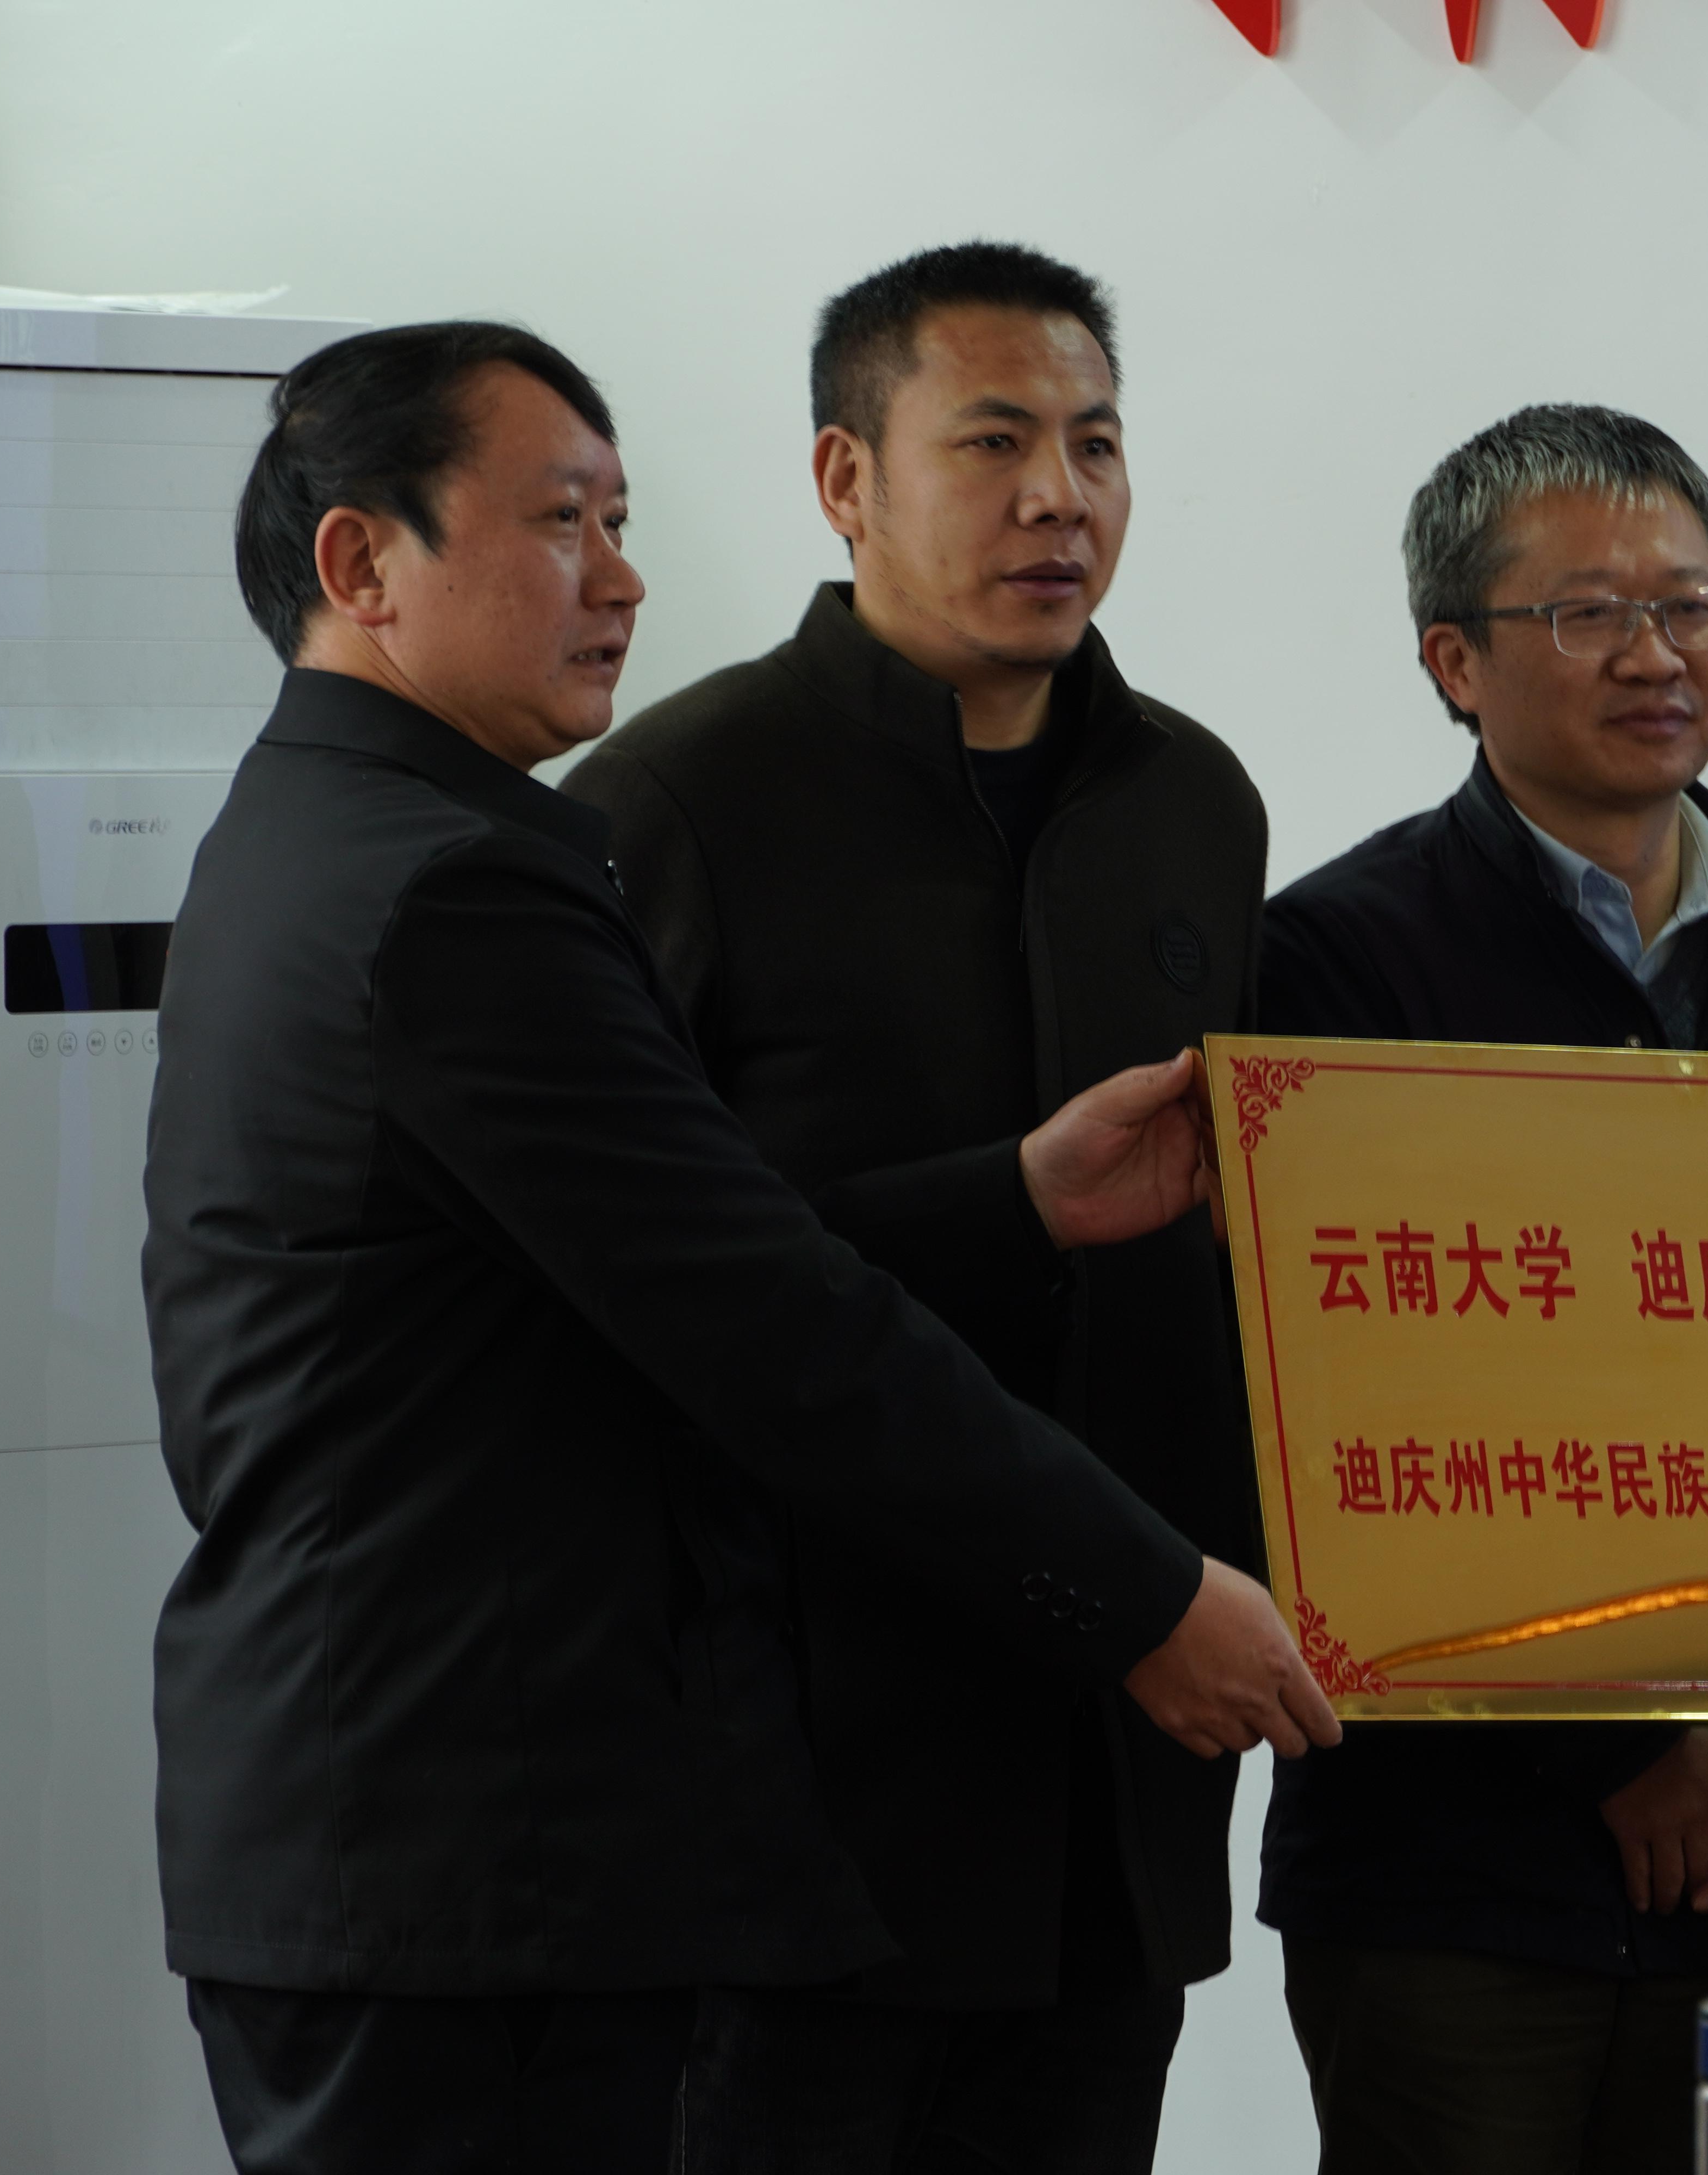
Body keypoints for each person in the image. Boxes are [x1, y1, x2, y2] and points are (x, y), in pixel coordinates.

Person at [145, 319, 1337, 2174]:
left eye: (618, 522)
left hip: (434, 1824)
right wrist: (1146, 1597)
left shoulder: (334, 827)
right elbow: (769, 1327)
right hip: (481, 1839)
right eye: (561, 522)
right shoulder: (468, 883)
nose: (620, 579)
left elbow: (664, 1271)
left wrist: (1016, 1200)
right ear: (361, 562)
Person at [564, 243, 1265, 2173]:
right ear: (844, 478)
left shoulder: (1195, 803)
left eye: (1097, 444)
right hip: (794, 1803)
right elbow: (648, 1299)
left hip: (1118, 1768)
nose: (1061, 497)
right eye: (996, 442)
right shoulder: (673, 803)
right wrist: (1005, 1209)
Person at [1257, 403, 1708, 2175]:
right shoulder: (1338, 956)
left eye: (1691, 603)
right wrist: (1614, 1753)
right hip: (1456, 1865)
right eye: (1587, 614)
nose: (1657, 654)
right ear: (1453, 662)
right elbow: (1352, 1410)